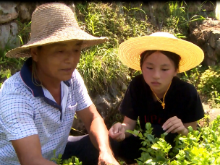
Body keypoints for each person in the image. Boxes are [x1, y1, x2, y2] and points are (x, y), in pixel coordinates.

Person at [0, 2, 119, 165]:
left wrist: (105, 153)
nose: (71, 60)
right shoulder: (16, 96)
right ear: (35, 52)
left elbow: (92, 118)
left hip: (56, 152)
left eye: (76, 50)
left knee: (109, 142)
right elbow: (31, 160)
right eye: (60, 51)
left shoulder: (71, 78)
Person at [108, 32, 205, 163]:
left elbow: (192, 134)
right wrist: (121, 130)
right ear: (141, 67)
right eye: (149, 67)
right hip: (147, 144)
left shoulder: (187, 92)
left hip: (175, 150)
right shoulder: (137, 85)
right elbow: (129, 125)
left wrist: (182, 129)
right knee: (107, 140)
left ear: (176, 70)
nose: (156, 75)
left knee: (157, 131)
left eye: (164, 69)